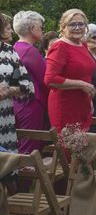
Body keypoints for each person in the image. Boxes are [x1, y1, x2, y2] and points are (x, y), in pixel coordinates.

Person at [44, 9, 96, 132]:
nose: (77, 28)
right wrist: (82, 85)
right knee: (68, 149)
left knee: (81, 149)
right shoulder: (60, 46)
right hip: (65, 106)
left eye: (81, 24)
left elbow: (84, 74)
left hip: (82, 104)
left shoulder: (82, 45)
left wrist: (88, 99)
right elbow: (50, 79)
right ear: (63, 27)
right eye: (72, 24)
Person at [12, 11, 49, 153]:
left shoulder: (15, 48)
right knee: (30, 145)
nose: (43, 30)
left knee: (20, 142)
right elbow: (45, 80)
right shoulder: (30, 51)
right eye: (41, 26)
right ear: (32, 29)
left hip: (17, 102)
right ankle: (27, 174)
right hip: (31, 104)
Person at [0, 12, 34, 152]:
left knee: (6, 169)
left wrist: (9, 90)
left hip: (4, 123)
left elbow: (28, 85)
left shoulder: (8, 51)